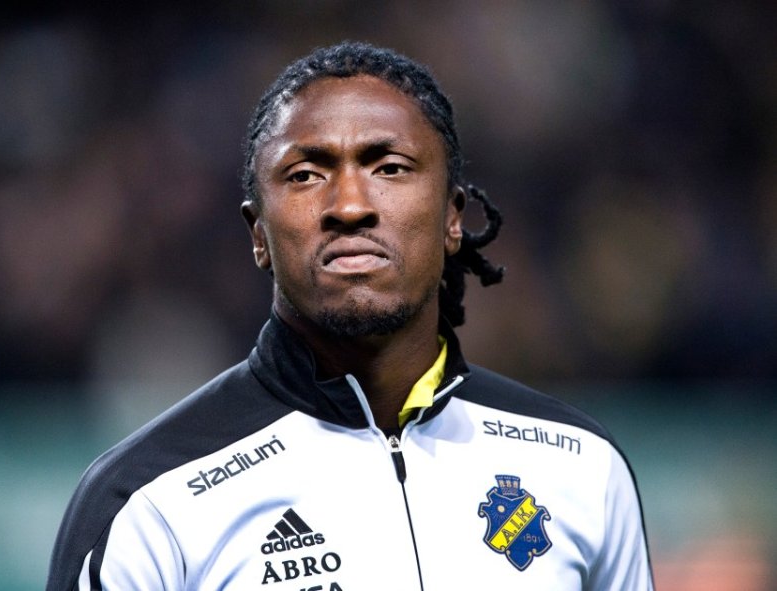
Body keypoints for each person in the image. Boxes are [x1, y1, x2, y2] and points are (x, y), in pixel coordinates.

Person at [46, 41, 654, 590]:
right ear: (258, 233)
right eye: (306, 174)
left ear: (453, 218)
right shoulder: (148, 504)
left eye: (389, 167)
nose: (350, 204)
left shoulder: (582, 467)